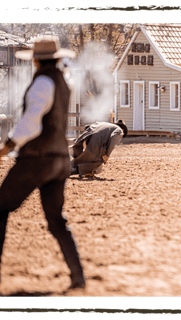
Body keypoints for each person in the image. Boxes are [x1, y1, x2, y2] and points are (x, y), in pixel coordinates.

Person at [0, 35, 85, 289]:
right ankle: (78, 277)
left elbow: (31, 122)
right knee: (57, 220)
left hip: (38, 159)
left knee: (0, 208)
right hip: (60, 159)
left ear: (36, 61)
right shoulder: (62, 81)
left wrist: (9, 146)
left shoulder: (42, 83)